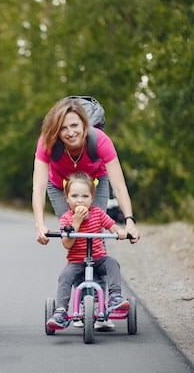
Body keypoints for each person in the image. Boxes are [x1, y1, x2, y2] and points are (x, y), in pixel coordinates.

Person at [32, 97, 140, 244]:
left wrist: (129, 221)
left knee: (94, 232)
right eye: (63, 128)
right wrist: (40, 225)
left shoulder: (100, 140)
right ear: (56, 130)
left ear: (84, 124)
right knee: (71, 232)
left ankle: (99, 265)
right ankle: (77, 267)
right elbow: (38, 187)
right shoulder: (48, 142)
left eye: (74, 125)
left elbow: (119, 187)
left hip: (95, 181)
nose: (70, 133)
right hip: (60, 185)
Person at [46, 172, 135, 331]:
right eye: (74, 196)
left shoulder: (98, 213)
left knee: (113, 263)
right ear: (67, 198)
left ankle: (115, 297)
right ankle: (61, 310)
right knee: (65, 276)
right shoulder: (66, 218)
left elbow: (111, 225)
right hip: (76, 261)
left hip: (98, 258)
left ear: (92, 198)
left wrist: (119, 231)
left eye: (85, 196)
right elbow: (67, 244)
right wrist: (76, 222)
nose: (79, 200)